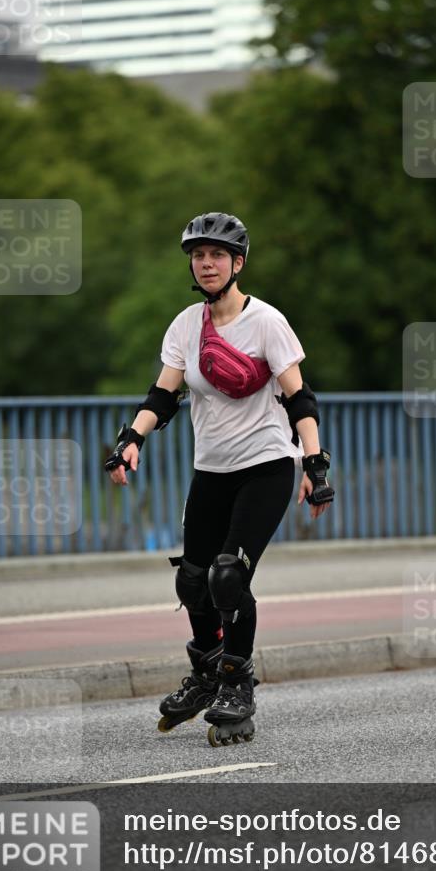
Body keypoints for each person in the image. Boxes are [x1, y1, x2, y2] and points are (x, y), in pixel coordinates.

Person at [105, 212, 334, 746]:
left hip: (268, 466)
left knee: (228, 576)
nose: (206, 263)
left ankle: (237, 682)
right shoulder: (186, 325)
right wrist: (131, 440)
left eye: (217, 255)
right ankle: (207, 672)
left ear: (238, 263)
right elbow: (163, 395)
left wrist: (315, 464)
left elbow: (300, 397)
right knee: (191, 579)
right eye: (198, 255)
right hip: (211, 469)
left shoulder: (267, 323)